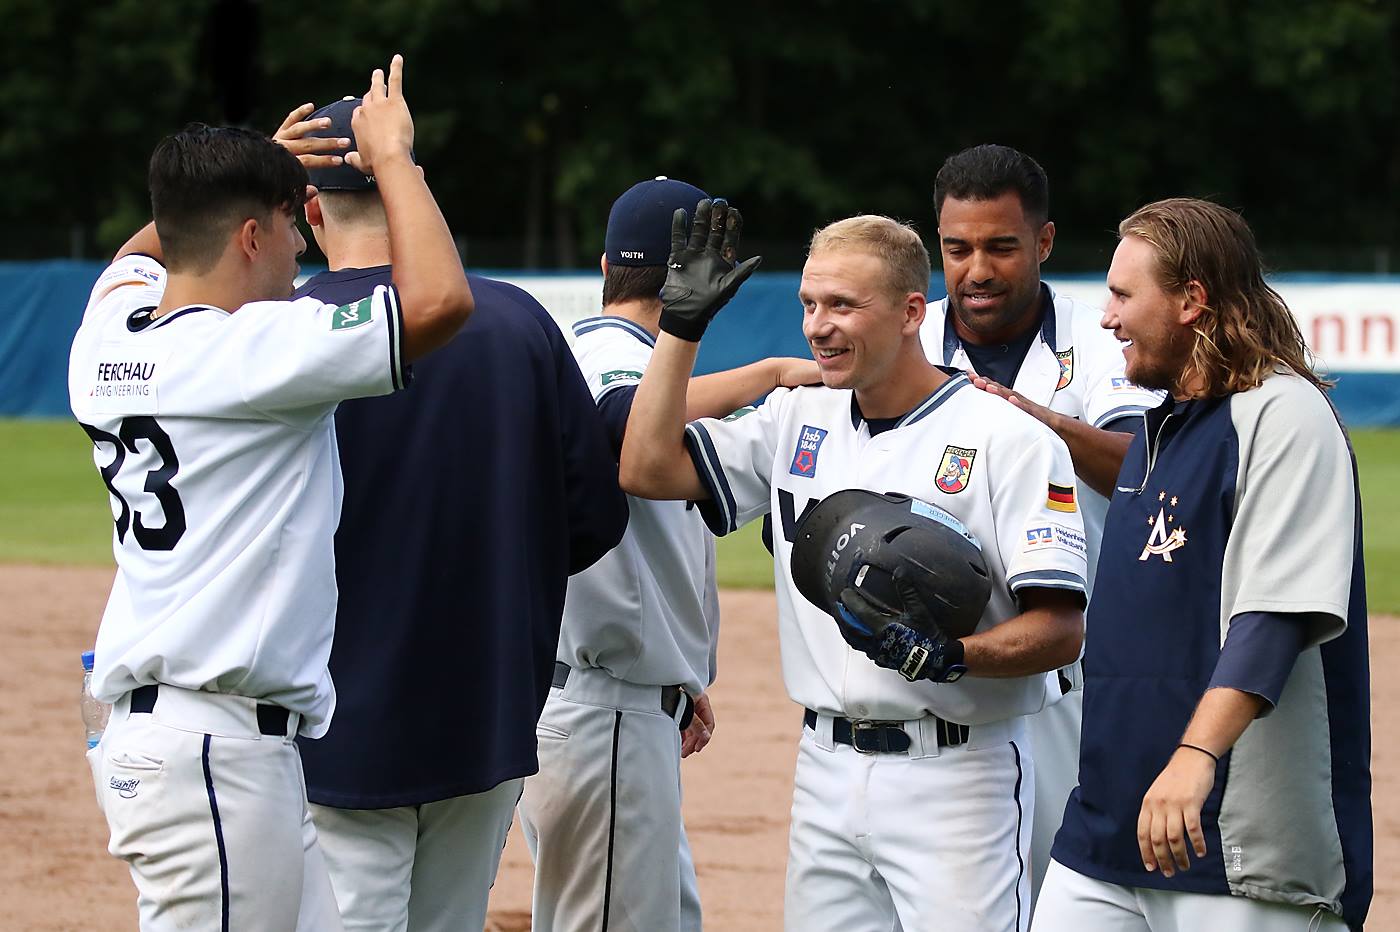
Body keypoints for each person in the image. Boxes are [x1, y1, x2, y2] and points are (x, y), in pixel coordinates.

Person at [73, 57, 474, 930]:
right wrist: (394, 158)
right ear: (252, 238)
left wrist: (248, 163)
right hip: (211, 750)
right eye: (290, 228)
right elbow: (441, 301)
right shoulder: (253, 350)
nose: (303, 247)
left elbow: (139, 254)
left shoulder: (104, 339)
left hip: (203, 741)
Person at [620, 207, 1089, 932]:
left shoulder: (1007, 438)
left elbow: (1061, 629)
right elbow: (645, 465)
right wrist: (681, 330)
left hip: (959, 776)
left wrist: (953, 655)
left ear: (909, 312)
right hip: (823, 771)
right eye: (809, 304)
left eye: (842, 304)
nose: (818, 325)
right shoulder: (797, 417)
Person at [272, 97, 630, 931]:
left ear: (310, 210)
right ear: (411, 186)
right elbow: (594, 520)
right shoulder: (519, 322)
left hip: (333, 727)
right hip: (485, 713)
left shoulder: (271, 336)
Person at [1034, 198, 1372, 931]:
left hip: (1238, 849)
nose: (1107, 317)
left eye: (1124, 295)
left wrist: (1194, 754)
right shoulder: (1157, 433)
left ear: (1192, 300)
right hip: (1105, 835)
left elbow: (1275, 615)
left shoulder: (1284, 415)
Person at [516, 177, 818, 932]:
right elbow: (627, 429)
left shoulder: (586, 351)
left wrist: (675, 677)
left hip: (601, 703)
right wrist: (771, 373)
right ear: (710, 282)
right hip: (602, 711)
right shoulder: (616, 356)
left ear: (603, 265)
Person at [920, 144, 1162, 904]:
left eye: (1001, 246)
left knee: (1060, 880)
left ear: (1044, 243)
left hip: (1067, 667)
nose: (977, 270)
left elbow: (1145, 465)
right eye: (957, 249)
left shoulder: (1098, 347)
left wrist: (1032, 420)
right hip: (935, 664)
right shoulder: (907, 336)